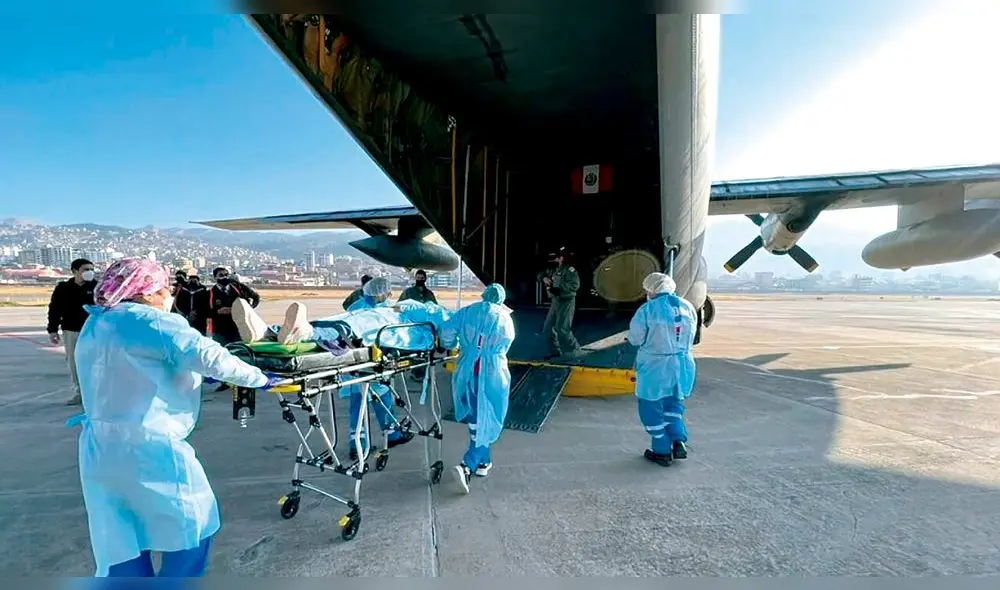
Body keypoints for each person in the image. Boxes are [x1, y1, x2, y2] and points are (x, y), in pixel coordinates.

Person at [65, 258, 283, 578]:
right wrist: (260, 379)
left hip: (99, 449)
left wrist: (192, 376)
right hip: (149, 447)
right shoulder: (154, 322)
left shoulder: (97, 323)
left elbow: (136, 367)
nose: (168, 293)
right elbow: (211, 357)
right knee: (192, 526)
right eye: (164, 288)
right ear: (147, 292)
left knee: (120, 536)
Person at [439, 284, 516, 494]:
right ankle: (468, 464)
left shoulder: (468, 310)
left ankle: (484, 462)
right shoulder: (504, 317)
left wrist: (452, 345)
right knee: (489, 416)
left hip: (467, 370)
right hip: (492, 372)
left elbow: (446, 330)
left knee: (476, 417)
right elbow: (507, 341)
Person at [625, 272, 697, 467]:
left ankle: (662, 451)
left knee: (651, 407)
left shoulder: (647, 310)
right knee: (673, 405)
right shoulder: (688, 307)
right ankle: (678, 440)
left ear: (652, 289)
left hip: (656, 366)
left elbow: (635, 338)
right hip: (682, 364)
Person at [46, 258, 97, 406]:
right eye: (85, 270)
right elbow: (54, 309)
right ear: (75, 271)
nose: (89, 273)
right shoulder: (63, 288)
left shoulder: (96, 287)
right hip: (71, 330)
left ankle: (95, 393)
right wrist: (52, 329)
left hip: (93, 330)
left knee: (95, 362)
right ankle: (80, 393)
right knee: (74, 362)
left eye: (91, 269)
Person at [539, 247, 581, 360]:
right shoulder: (555, 269)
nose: (557, 258)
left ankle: (575, 352)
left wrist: (558, 290)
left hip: (566, 302)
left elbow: (574, 286)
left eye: (559, 256)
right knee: (548, 328)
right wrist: (544, 278)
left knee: (562, 328)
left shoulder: (570, 270)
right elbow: (541, 273)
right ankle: (555, 352)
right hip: (555, 302)